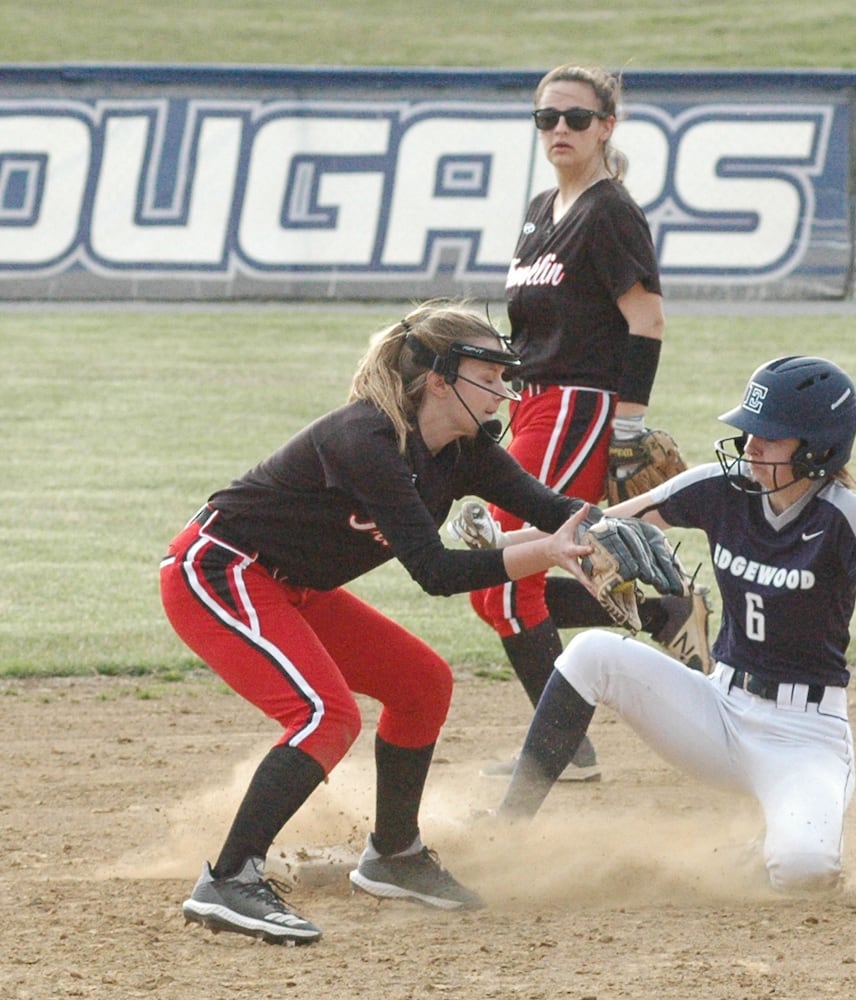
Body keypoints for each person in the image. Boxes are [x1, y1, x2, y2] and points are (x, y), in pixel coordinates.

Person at [159, 301, 618, 943]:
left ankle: (394, 856)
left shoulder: (465, 451)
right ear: (439, 379)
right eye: (488, 376)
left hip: (296, 585)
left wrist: (612, 526)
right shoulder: (366, 440)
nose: (503, 394)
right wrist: (545, 552)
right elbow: (432, 571)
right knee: (327, 714)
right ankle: (228, 880)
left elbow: (551, 505)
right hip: (220, 571)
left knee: (422, 683)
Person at [493, 355, 856, 893]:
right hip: (720, 710)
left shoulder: (842, 516)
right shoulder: (719, 488)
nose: (750, 446)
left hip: (806, 736)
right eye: (749, 431)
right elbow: (596, 526)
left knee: (805, 870)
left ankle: (771, 844)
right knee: (591, 654)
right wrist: (500, 544)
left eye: (769, 438)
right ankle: (507, 829)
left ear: (818, 450)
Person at [470, 63, 688, 783]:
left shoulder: (609, 211)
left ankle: (568, 751)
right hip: (531, 404)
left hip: (577, 405)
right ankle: (663, 614)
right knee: (503, 576)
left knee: (502, 577)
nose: (559, 129)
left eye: (575, 117)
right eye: (547, 119)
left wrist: (629, 425)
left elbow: (646, 318)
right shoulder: (542, 209)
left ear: (606, 126)